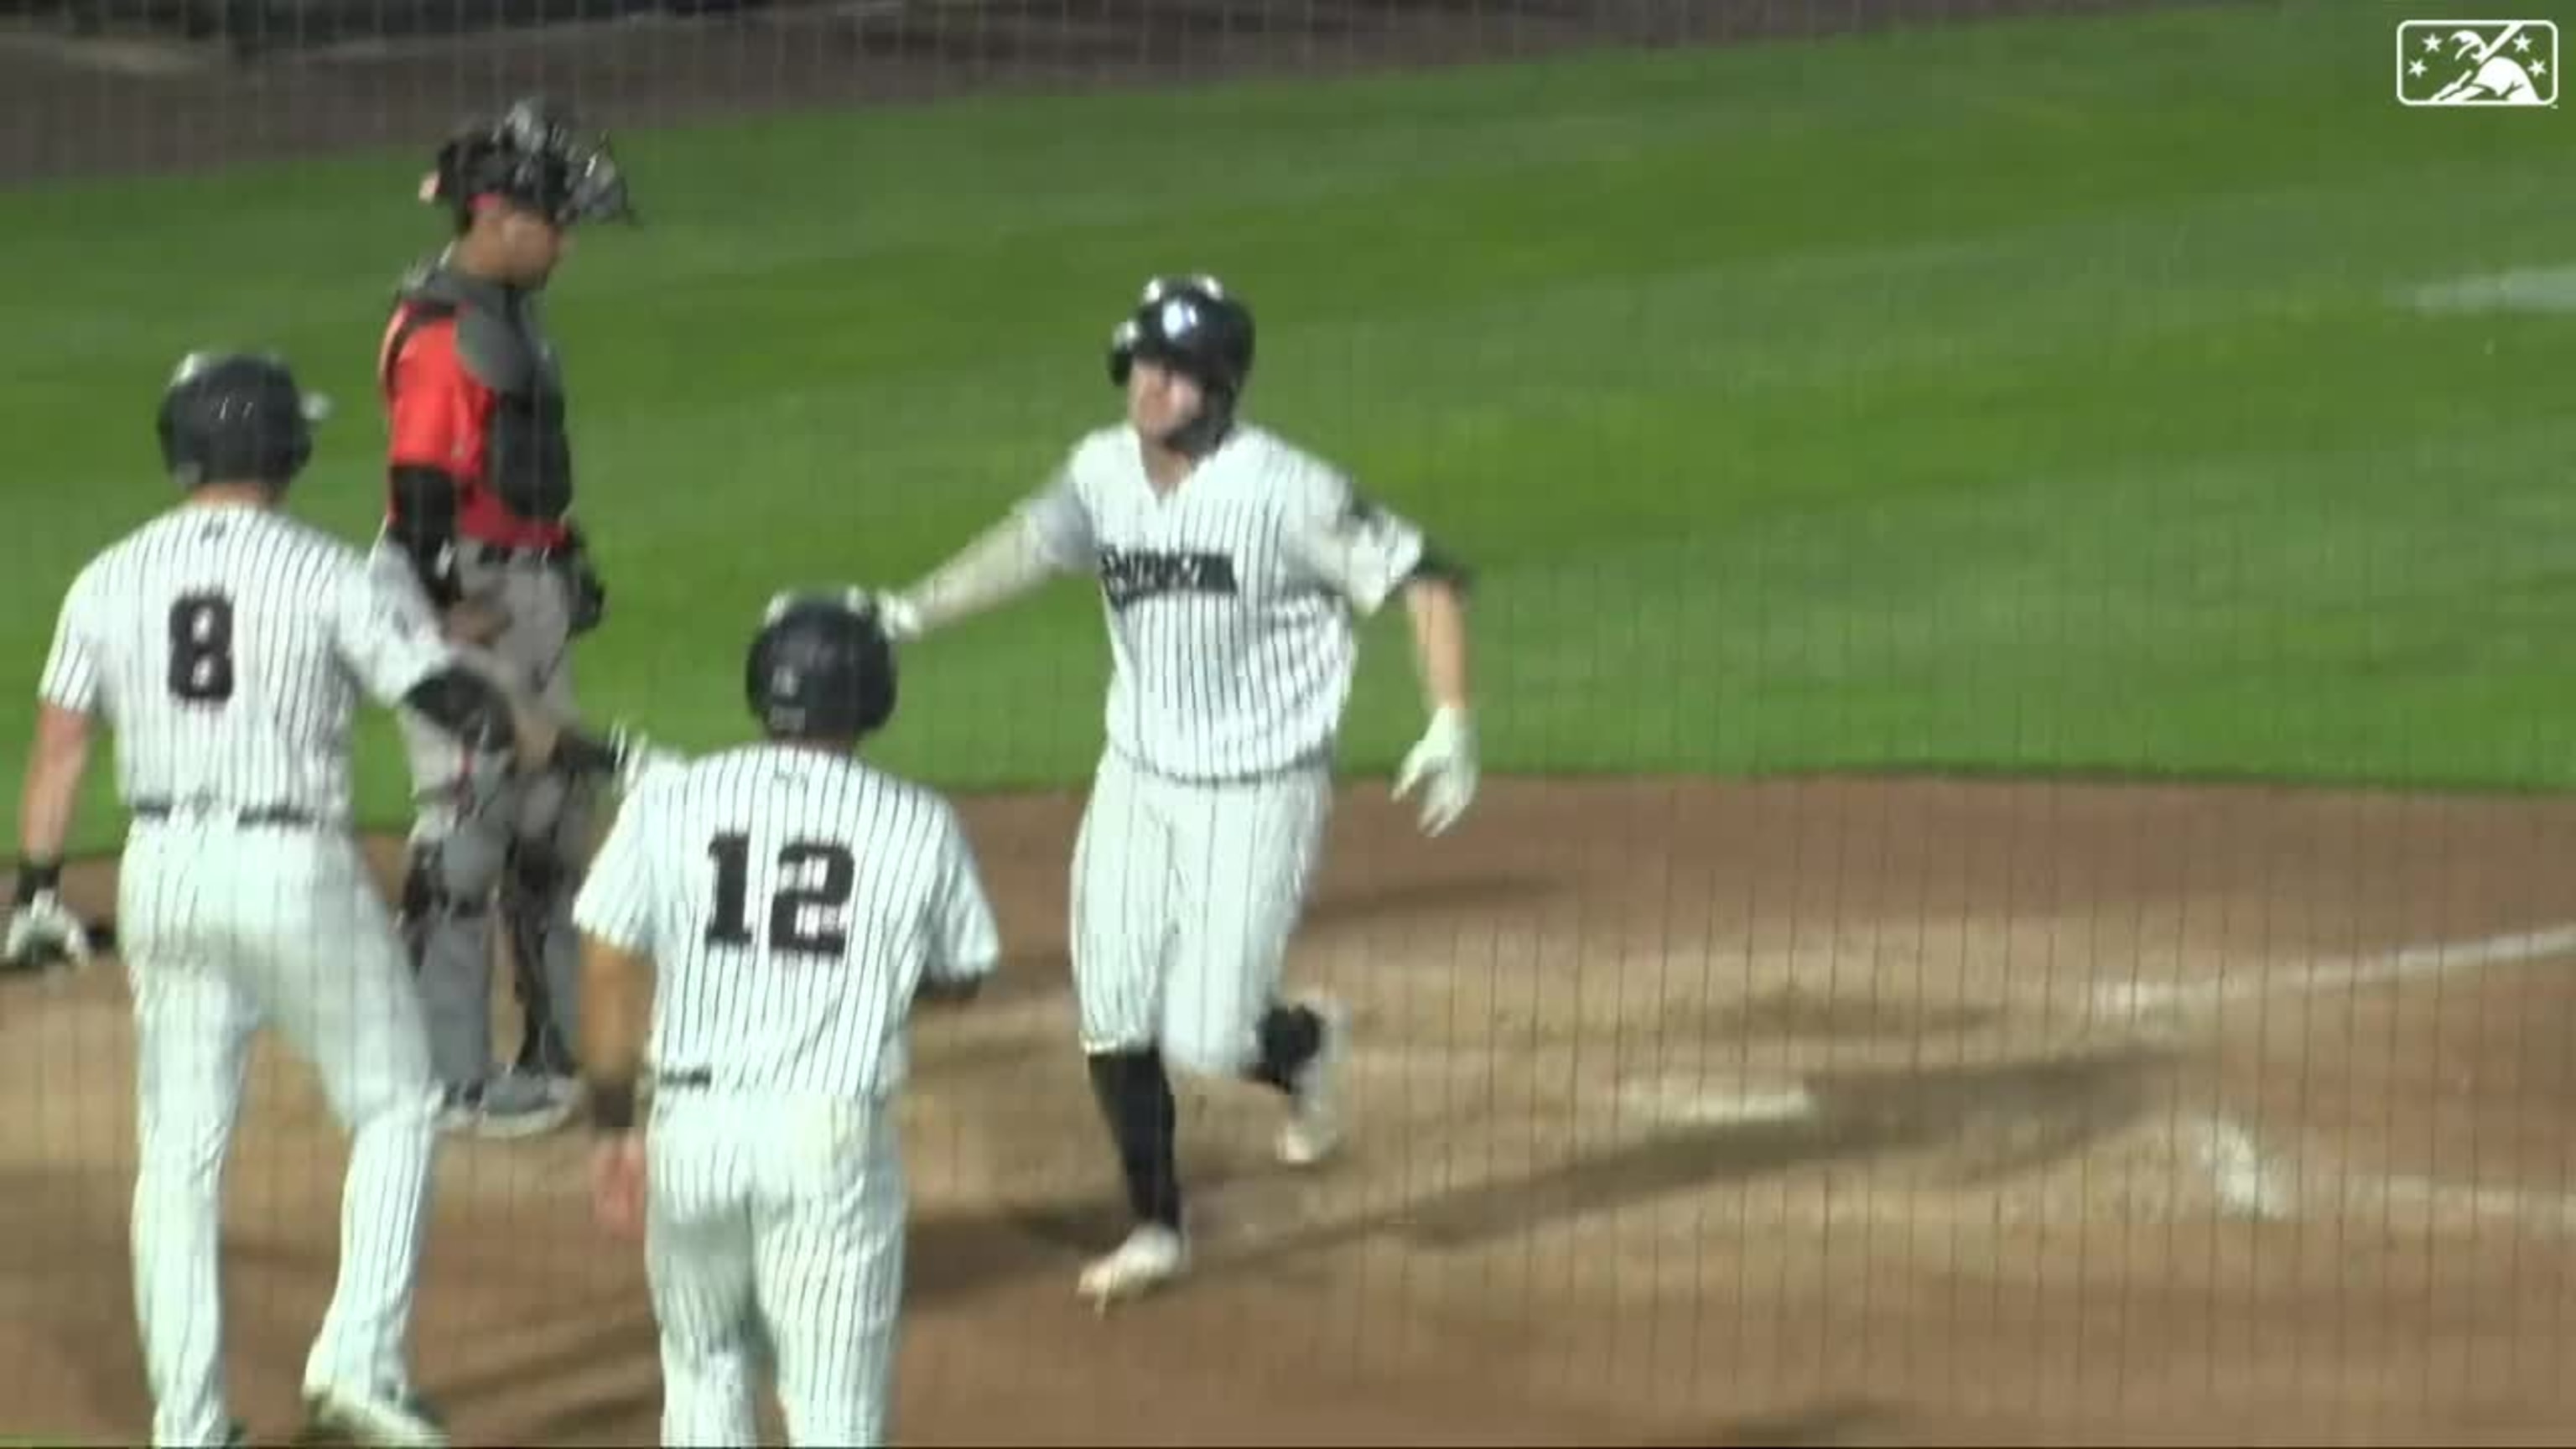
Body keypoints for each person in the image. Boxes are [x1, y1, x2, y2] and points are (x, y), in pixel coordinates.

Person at [0, 351, 644, 1447]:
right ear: (282, 454)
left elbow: (61, 745)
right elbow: (452, 698)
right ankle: (357, 1362)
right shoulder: (330, 573)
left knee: (180, 1160)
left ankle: (189, 1426)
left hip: (162, 872)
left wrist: (39, 893)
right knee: (397, 1105)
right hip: (293, 871)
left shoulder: (107, 577)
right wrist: (577, 745)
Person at [861, 273, 1481, 1306]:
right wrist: (914, 612)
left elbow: (1427, 574)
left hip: (1259, 790)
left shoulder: (1290, 490)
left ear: (1222, 386)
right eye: (1146, 363)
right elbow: (1028, 544)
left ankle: (1302, 1044)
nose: (1154, 386)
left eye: (1180, 373)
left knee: (1210, 1032)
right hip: (1137, 781)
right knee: (1107, 1008)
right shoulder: (1100, 472)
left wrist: (1451, 719)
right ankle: (1158, 1224)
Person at [571, 591, 1000, 1445]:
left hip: (690, 1132)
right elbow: (961, 978)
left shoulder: (672, 799)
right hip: (826, 1141)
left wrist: (614, 1125)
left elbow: (609, 954)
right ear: (874, 697)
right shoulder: (917, 824)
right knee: (833, 1405)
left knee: (703, 1366)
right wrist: (863, 979)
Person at [372, 94, 637, 1136]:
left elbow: (508, 475)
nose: (566, 240)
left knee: (550, 816)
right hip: (464, 588)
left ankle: (560, 1047)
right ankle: (444, 1075)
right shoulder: (447, 335)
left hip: (516, 577)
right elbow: (421, 486)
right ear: (495, 214)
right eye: (555, 219)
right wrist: (448, 603)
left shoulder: (502, 317)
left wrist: (560, 554)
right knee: (473, 822)